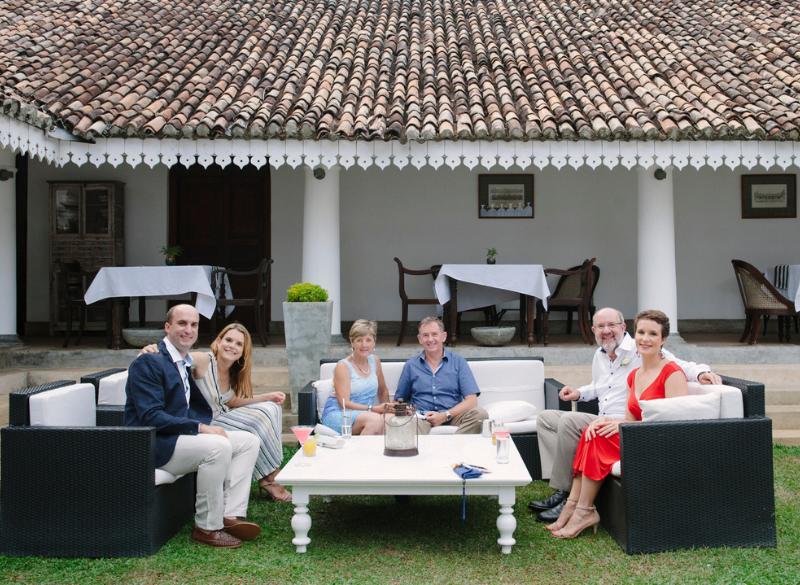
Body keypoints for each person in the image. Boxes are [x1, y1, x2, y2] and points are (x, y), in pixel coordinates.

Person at [530, 307, 722, 522]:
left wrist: (701, 372)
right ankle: (558, 484)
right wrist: (579, 393)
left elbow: (678, 365)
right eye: (601, 326)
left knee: (569, 420)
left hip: (623, 421)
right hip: (603, 416)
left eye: (611, 325)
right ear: (594, 330)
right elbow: (599, 386)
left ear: (623, 328)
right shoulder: (599, 355)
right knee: (545, 419)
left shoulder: (640, 347)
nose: (606, 331)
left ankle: (566, 494)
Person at [124, 304, 261, 549]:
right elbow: (150, 417)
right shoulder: (149, 361)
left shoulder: (184, 361)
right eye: (182, 323)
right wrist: (200, 427)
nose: (189, 330)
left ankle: (230, 515)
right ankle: (207, 527)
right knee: (217, 447)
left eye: (194, 325)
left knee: (248, 441)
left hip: (177, 437)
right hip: (153, 443)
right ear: (167, 327)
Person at [547, 309, 689, 538]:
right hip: (636, 434)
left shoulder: (672, 373)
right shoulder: (634, 375)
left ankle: (582, 510)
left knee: (598, 438)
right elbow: (630, 419)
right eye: (641, 332)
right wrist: (611, 421)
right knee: (592, 431)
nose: (645, 339)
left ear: (663, 340)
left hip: (660, 441)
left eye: (653, 334)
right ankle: (574, 505)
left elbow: (678, 426)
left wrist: (702, 373)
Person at [141, 322, 291, 502]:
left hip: (223, 416)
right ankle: (271, 477)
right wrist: (151, 350)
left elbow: (231, 400)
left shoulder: (232, 370)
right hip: (206, 422)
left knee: (271, 408)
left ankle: (269, 475)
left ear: (243, 351)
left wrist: (266, 397)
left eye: (239, 344)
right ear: (218, 341)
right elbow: (172, 357)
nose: (232, 346)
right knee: (261, 417)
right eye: (228, 340)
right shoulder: (203, 360)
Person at [394, 316, 488, 434]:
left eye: (434, 334)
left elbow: (472, 401)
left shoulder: (458, 362)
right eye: (425, 335)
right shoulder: (411, 365)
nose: (430, 339)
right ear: (420, 339)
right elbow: (399, 400)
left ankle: (454, 444)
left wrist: (445, 415)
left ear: (443, 336)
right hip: (422, 418)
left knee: (480, 414)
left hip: (453, 415)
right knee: (409, 424)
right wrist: (403, 409)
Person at [321, 319, 392, 435]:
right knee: (375, 420)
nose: (364, 345)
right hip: (340, 414)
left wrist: (388, 409)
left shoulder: (374, 360)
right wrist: (374, 409)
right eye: (359, 340)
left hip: (366, 414)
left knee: (390, 420)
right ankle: (359, 448)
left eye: (368, 340)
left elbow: (382, 390)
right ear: (352, 342)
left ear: (374, 342)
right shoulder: (343, 366)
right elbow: (344, 404)